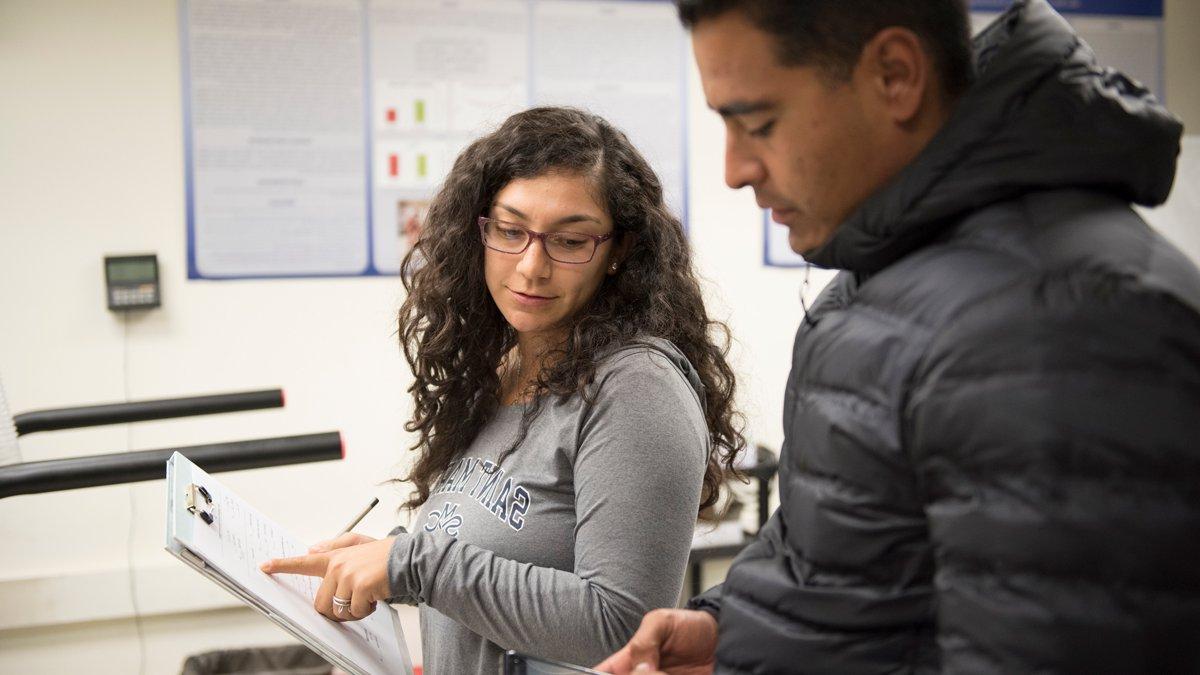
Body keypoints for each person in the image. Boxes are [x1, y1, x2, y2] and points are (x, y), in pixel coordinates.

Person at [599, 0, 1200, 673]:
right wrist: (733, 632)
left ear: (894, 75)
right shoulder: (887, 275)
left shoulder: (1068, 324)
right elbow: (866, 571)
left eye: (760, 124)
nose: (735, 169)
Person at [261, 106, 745, 674]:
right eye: (510, 232)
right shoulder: (508, 367)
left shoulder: (636, 388)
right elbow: (495, 563)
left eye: (569, 241)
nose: (531, 266)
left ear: (618, 252)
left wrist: (413, 565)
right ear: (479, 231)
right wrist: (382, 560)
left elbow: (624, 625)